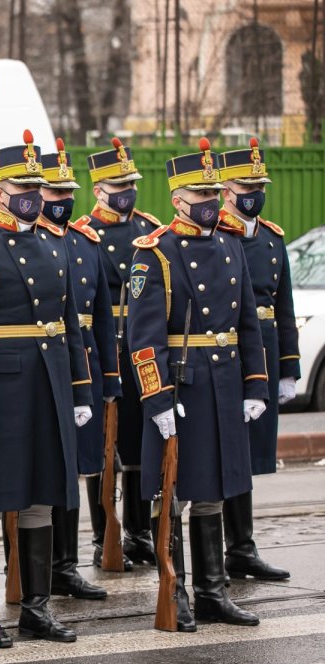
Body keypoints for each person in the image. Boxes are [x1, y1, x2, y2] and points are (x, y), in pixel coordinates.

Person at [0, 130, 92, 647]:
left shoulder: (56, 244)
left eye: (37, 185)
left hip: (47, 385)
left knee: (41, 497)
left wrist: (80, 391)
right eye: (22, 185)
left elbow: (70, 326)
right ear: (0, 190)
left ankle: (36, 606)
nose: (33, 194)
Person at [128, 138, 268, 629]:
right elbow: (143, 339)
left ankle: (213, 590)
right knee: (174, 491)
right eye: (201, 196)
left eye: (214, 194)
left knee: (214, 490)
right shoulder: (156, 253)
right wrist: (158, 397)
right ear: (178, 200)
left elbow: (247, 322)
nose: (210, 203)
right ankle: (177, 589)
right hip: (182, 386)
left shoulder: (232, 244)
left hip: (223, 382)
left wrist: (255, 385)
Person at [37, 139, 118, 601]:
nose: (63, 201)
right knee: (46, 466)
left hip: (81, 358)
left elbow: (102, 319)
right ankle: (37, 564)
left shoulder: (88, 243)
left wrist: (109, 379)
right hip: (42, 361)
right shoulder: (30, 242)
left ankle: (65, 564)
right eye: (54, 193)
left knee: (76, 466)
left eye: (68, 193)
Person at [77, 139, 163, 568]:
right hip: (102, 348)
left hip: (139, 346)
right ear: (98, 190)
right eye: (118, 183)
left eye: (131, 182)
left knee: (136, 441)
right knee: (101, 445)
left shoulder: (150, 229)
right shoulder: (83, 234)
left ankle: (138, 532)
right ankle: (102, 534)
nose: (127, 190)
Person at [217, 138, 297, 582]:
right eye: (246, 185)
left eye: (259, 185)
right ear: (226, 189)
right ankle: (223, 548)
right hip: (227, 354)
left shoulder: (271, 237)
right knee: (227, 452)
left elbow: (282, 306)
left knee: (249, 457)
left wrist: (288, 367)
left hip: (263, 348)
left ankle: (242, 547)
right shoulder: (219, 239)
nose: (255, 192)